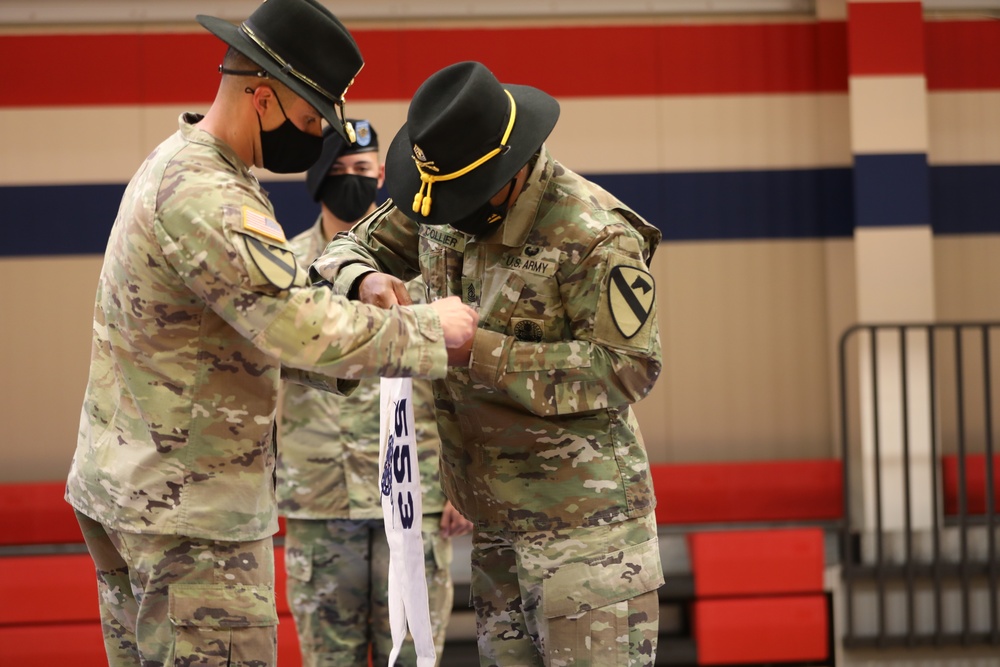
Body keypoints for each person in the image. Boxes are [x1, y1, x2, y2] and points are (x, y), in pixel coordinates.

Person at [63, 2, 478, 664]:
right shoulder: (210, 196)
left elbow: (261, 307)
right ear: (261, 98)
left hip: (145, 493)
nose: (315, 137)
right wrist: (428, 330)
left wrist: (354, 283)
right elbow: (295, 328)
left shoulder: (188, 165)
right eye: (311, 119)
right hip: (188, 513)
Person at [312, 61, 665, 666]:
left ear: (510, 169)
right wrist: (365, 276)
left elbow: (626, 367)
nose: (449, 210)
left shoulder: (592, 234)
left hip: (584, 536)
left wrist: (477, 351)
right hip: (492, 523)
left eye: (466, 196)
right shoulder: (441, 192)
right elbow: (349, 244)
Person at [277, 121, 473, 666]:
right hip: (321, 497)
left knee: (415, 655)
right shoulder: (288, 271)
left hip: (416, 496)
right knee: (328, 658)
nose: (351, 181)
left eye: (362, 170)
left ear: (382, 175)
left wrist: (460, 480)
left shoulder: (425, 270)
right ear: (315, 178)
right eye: (337, 171)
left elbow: (454, 379)